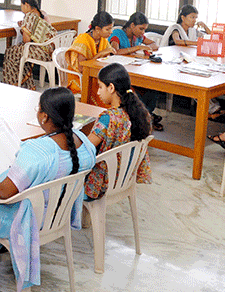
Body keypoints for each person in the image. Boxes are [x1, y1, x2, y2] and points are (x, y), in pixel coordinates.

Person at [0, 87, 97, 291]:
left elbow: (4, 192)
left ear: (44, 116)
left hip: (25, 222)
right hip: (55, 216)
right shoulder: (85, 145)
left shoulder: (37, 153)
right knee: (11, 191)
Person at [85, 63, 152, 200]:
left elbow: (86, 147)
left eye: (100, 87)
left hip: (101, 184)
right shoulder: (140, 113)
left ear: (111, 88)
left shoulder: (108, 118)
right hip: (123, 178)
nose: (98, 92)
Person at [107, 12, 162, 130]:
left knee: (153, 87)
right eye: (141, 29)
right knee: (133, 91)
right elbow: (114, 51)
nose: (143, 32)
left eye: (145, 29)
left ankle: (146, 115)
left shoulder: (138, 37)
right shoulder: (117, 34)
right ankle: (145, 117)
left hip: (134, 69)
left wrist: (147, 48)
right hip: (120, 73)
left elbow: (154, 45)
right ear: (132, 25)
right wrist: (137, 48)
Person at [3, 0, 59, 89]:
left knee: (10, 52)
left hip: (40, 52)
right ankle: (27, 84)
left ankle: (13, 83)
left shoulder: (29, 16)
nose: (21, 8)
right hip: (51, 51)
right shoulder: (42, 14)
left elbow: (26, 40)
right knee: (20, 52)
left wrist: (23, 28)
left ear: (27, 5)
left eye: (21, 6)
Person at [65, 11, 115, 96]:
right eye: (107, 29)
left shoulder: (103, 40)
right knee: (107, 91)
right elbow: (82, 68)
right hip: (80, 78)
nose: (111, 32)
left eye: (111, 28)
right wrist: (100, 54)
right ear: (97, 29)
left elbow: (107, 57)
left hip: (95, 75)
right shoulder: (83, 40)